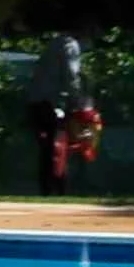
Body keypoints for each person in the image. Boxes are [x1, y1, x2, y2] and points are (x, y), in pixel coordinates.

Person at [28, 32, 92, 195]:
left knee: (47, 147)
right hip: (53, 102)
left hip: (37, 100)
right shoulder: (69, 45)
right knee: (59, 144)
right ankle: (59, 187)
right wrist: (79, 102)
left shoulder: (53, 44)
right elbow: (71, 75)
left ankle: (48, 188)